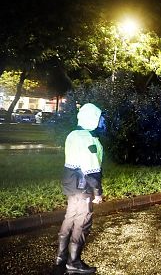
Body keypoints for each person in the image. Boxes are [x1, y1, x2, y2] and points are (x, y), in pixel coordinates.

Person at [55, 103, 104, 274]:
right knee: (82, 223)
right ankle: (73, 262)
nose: (101, 121)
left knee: (70, 218)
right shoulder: (87, 138)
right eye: (99, 118)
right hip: (83, 186)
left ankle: (61, 257)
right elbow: (91, 169)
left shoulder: (73, 135)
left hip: (71, 184)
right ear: (92, 119)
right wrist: (97, 192)